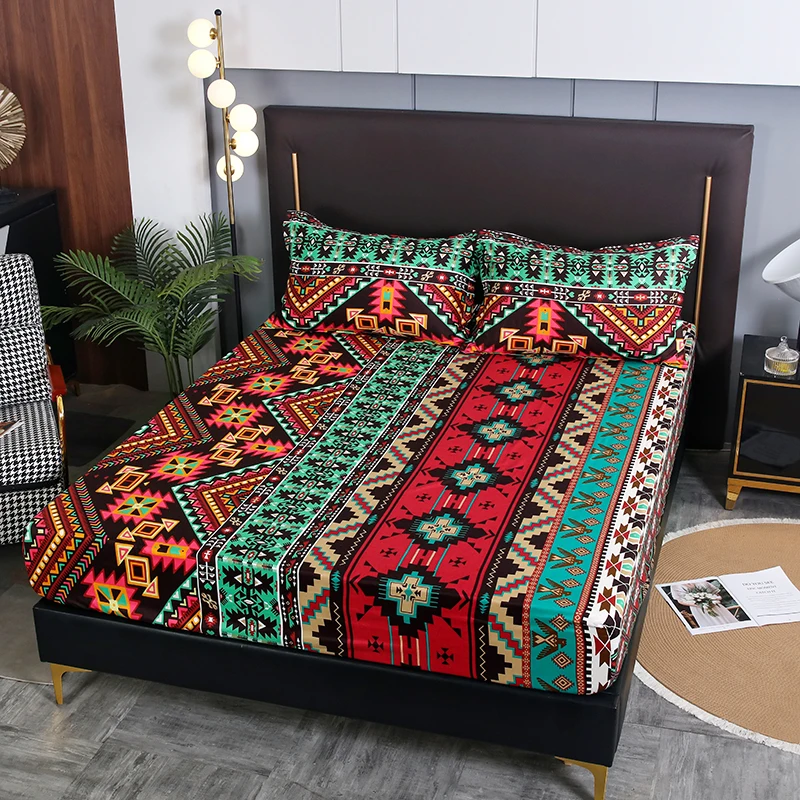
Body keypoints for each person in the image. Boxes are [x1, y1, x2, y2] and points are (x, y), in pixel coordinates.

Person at [670, 580, 738, 628]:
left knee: (727, 621)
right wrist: (699, 604)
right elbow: (680, 600)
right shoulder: (675, 585)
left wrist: (714, 600)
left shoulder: (700, 580)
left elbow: (717, 594)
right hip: (699, 609)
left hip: (715, 606)